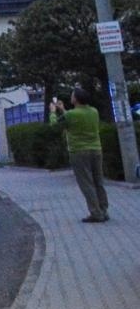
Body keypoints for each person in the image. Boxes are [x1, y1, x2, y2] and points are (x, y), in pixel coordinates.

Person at [52, 89, 110, 223]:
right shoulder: (94, 111)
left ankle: (95, 213)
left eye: (72, 96)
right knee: (98, 181)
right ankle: (103, 209)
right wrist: (63, 109)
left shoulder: (71, 115)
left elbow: (55, 126)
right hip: (96, 149)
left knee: (86, 183)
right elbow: (75, 117)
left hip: (78, 151)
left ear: (76, 99)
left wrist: (53, 112)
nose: (70, 97)